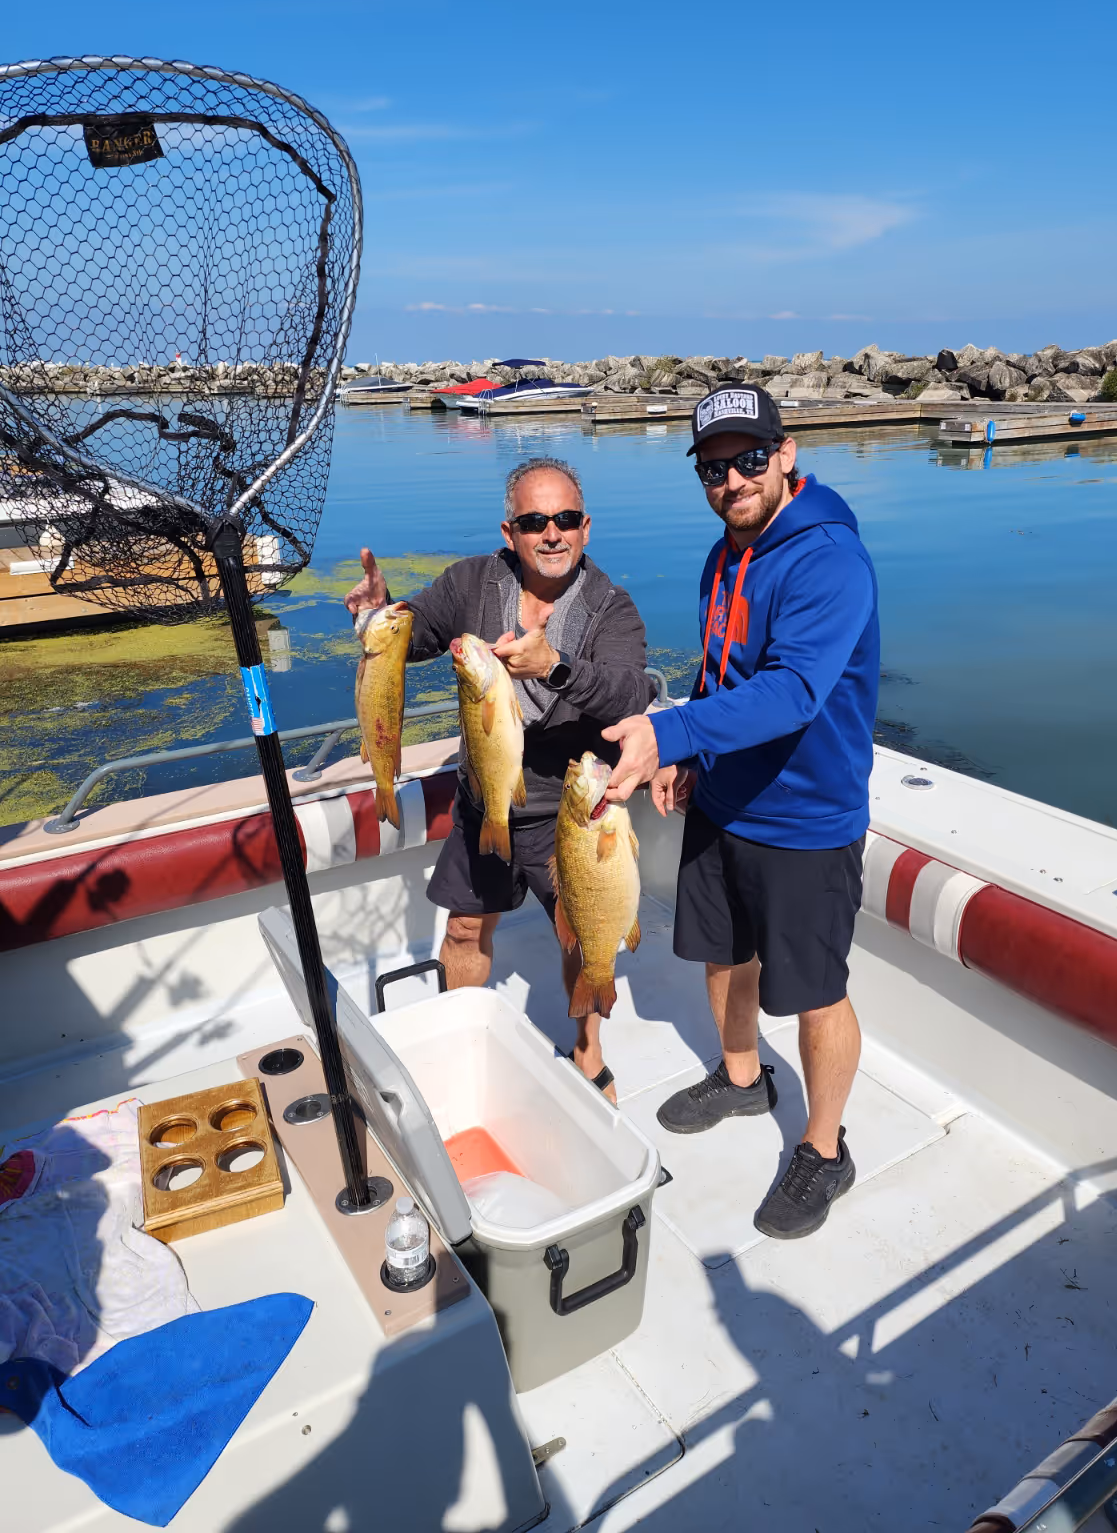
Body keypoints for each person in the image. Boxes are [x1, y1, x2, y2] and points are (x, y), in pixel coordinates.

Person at [602, 385, 879, 1237]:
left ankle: (825, 1150)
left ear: (786, 454)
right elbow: (721, 673)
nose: (733, 481)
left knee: (817, 992)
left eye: (750, 459)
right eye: (714, 469)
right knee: (723, 954)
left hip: (805, 821)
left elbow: (794, 691)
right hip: (725, 802)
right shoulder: (725, 556)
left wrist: (669, 731)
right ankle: (741, 1075)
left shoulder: (829, 559)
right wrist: (687, 753)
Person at [344, 456, 653, 1101]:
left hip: (570, 808)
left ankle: (589, 1055)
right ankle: (459, 1044)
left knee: (581, 935)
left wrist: (555, 666)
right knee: (463, 928)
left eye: (565, 519)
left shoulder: (611, 608)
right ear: (510, 531)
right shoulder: (473, 583)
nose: (552, 533)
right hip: (485, 795)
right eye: (534, 522)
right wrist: (378, 618)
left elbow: (628, 693)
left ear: (586, 527)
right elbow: (418, 632)